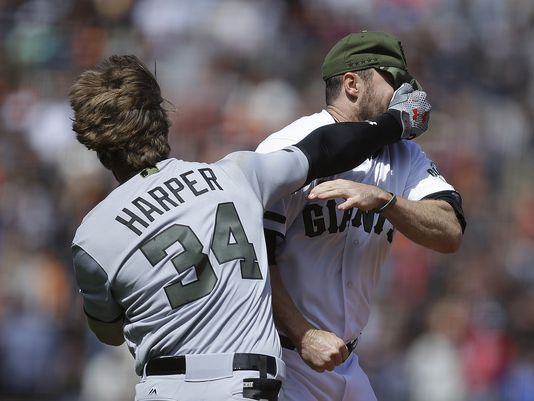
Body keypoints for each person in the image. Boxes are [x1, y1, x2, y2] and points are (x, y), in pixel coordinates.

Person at [68, 54, 431, 401]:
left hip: (164, 388)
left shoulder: (93, 236)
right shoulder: (235, 175)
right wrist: (395, 122)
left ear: (97, 148)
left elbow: (109, 332)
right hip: (245, 385)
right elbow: (324, 147)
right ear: (163, 120)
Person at [255, 31, 466, 401]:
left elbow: (449, 231)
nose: (406, 95)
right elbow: (253, 256)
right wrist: (302, 333)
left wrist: (387, 201)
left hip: (347, 363)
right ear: (353, 83)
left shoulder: (404, 156)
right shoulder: (289, 146)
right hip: (285, 359)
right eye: (394, 80)